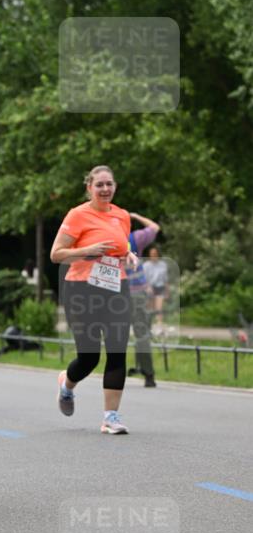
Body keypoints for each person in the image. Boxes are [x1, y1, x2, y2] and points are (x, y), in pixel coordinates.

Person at [50, 164, 138, 435]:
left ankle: (110, 417)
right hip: (82, 290)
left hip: (116, 288)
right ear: (89, 187)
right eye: (99, 184)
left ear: (115, 186)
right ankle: (67, 384)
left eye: (109, 184)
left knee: (117, 351)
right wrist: (87, 250)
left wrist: (130, 255)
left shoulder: (122, 216)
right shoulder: (77, 215)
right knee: (89, 357)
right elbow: (56, 254)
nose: (105, 189)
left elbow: (122, 246)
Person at [127, 213, 160, 387]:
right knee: (142, 335)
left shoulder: (104, 238)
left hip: (113, 292)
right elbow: (155, 227)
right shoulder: (135, 238)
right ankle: (148, 374)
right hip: (136, 293)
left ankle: (116, 372)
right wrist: (136, 215)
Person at [143, 245, 169, 332]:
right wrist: (148, 287)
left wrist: (167, 291)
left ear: (157, 254)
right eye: (151, 254)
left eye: (155, 254)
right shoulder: (146, 265)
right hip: (149, 288)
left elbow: (165, 279)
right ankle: (148, 325)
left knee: (159, 307)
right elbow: (143, 279)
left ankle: (159, 325)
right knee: (150, 308)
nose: (153, 255)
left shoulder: (163, 265)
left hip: (160, 287)